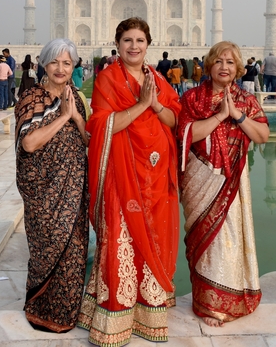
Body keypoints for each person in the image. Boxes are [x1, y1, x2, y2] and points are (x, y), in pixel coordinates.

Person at [78, 17, 181, 346]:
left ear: (148, 44)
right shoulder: (107, 80)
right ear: (118, 44)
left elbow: (174, 119)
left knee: (153, 236)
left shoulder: (158, 80)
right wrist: (140, 106)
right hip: (122, 174)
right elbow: (101, 125)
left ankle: (149, 311)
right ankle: (115, 318)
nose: (134, 46)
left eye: (139, 40)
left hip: (155, 174)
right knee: (121, 238)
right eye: (127, 41)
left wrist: (155, 103)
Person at [178, 41, 269, 327]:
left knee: (227, 237)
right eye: (219, 61)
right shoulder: (193, 98)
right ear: (209, 66)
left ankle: (226, 300)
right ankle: (207, 304)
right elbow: (186, 136)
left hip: (232, 182)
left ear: (238, 68)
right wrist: (220, 115)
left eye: (230, 62)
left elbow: (262, 135)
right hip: (200, 180)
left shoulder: (246, 101)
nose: (224, 67)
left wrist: (237, 116)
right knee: (205, 241)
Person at [15, 38, 89, 333]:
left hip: (73, 186)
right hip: (43, 191)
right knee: (47, 248)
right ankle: (41, 310)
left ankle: (67, 313)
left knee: (74, 250)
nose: (60, 68)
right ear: (44, 64)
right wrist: (63, 117)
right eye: (55, 62)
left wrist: (76, 118)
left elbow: (88, 141)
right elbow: (30, 143)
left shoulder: (77, 98)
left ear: (74, 67)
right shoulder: (32, 98)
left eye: (67, 63)